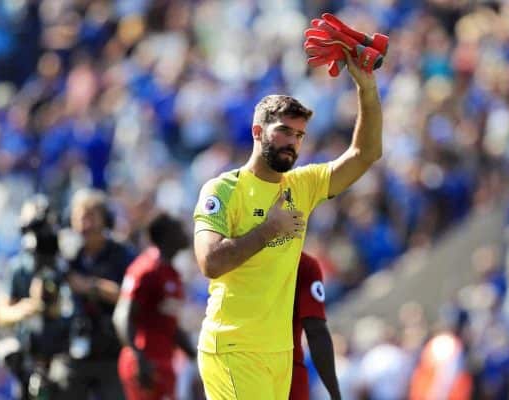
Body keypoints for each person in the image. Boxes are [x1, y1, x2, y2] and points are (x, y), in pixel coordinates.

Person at [193, 47, 382, 399]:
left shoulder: (302, 185)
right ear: (257, 131)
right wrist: (270, 229)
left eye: (299, 135)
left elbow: (365, 154)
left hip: (279, 353)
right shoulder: (224, 188)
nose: (292, 143)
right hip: (234, 347)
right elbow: (210, 262)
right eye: (283, 131)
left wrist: (366, 88)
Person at [54, 188, 136, 400]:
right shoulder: (66, 255)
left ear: (105, 220)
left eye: (91, 217)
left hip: (111, 351)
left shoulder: (121, 253)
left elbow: (131, 296)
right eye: (78, 218)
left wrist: (90, 286)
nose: (84, 225)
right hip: (73, 349)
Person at [113, 212, 197, 400]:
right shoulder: (146, 269)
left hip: (164, 361)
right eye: (179, 229)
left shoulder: (171, 273)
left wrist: (196, 356)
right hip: (147, 363)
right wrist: (139, 358)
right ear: (167, 236)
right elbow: (121, 317)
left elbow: (169, 326)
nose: (185, 233)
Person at [0, 195, 70, 399]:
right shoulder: (18, 268)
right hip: (28, 352)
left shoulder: (65, 266)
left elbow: (70, 308)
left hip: (62, 353)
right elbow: (1, 314)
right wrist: (27, 308)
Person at [290, 252, 341, 400]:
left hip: (237, 365)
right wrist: (335, 394)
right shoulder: (303, 265)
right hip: (287, 375)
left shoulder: (234, 257)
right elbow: (316, 332)